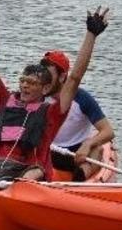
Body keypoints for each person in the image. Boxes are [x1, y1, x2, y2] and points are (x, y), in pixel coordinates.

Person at [0, 0, 109, 182]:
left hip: (25, 173)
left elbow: (75, 78)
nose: (25, 85)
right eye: (23, 81)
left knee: (36, 172)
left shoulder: (52, 112)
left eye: (32, 83)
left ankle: (14, 198)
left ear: (45, 89)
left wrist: (91, 34)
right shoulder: (6, 100)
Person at [41, 50, 115, 181]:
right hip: (47, 151)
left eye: (48, 76)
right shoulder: (38, 97)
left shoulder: (82, 98)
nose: (43, 80)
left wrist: (88, 144)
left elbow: (108, 131)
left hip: (76, 153)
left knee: (97, 149)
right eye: (41, 74)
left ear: (62, 77)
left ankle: (79, 180)